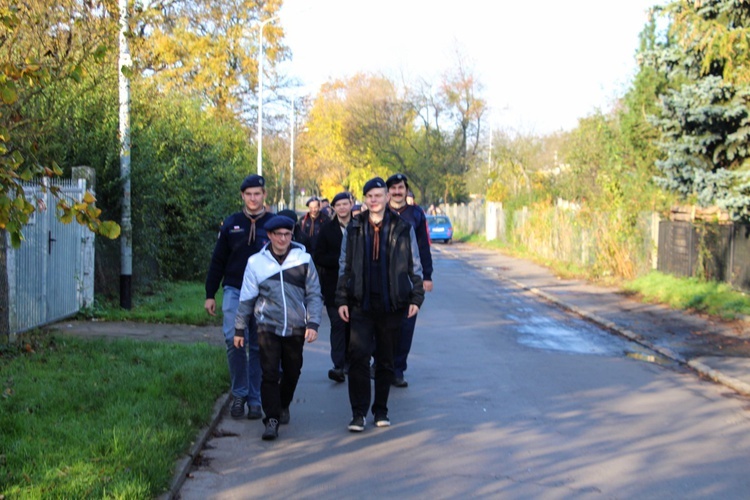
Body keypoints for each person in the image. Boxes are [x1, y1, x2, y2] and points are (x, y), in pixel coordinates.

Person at [336, 177, 425, 432]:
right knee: (358, 359)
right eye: (369, 196)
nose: (374, 200)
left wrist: (416, 297)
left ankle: (381, 409)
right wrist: (341, 298)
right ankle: (358, 413)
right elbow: (345, 265)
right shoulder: (354, 227)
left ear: (387, 197)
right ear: (364, 200)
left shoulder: (403, 227)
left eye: (378, 195)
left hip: (392, 305)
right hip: (360, 304)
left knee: (386, 361)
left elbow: (414, 264)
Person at [234, 215, 323, 441]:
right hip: (267, 325)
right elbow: (246, 298)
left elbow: (313, 293)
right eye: (278, 234)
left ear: (292, 235)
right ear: (270, 236)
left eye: (287, 234)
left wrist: (313, 323)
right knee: (270, 372)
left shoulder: (303, 259)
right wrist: (239, 329)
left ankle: (283, 404)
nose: (283, 239)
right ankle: (271, 419)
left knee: (293, 371)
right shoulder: (256, 262)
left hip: (295, 325)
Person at [205, 174, 275, 420]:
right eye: (249, 194)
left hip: (265, 293)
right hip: (235, 289)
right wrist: (210, 293)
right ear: (242, 196)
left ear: (264, 195)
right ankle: (239, 393)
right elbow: (218, 260)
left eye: (257, 194)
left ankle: (255, 399)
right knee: (232, 340)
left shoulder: (274, 224)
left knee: (259, 346)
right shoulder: (232, 224)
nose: (253, 198)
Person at [386, 173, 434, 388]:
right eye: (393, 188)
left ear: (406, 190)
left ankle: (398, 370)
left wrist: (427, 276)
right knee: (383, 327)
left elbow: (424, 246)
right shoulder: (380, 212)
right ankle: (382, 366)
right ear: (388, 191)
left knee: (406, 326)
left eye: (401, 188)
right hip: (382, 278)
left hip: (408, 279)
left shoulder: (416, 214)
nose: (397, 192)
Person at [314, 191, 353, 383]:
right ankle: (338, 365)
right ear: (334, 208)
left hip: (356, 287)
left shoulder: (359, 226)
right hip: (333, 287)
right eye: (339, 205)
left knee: (353, 325)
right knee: (338, 324)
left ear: (351, 204)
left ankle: (351, 362)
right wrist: (339, 261)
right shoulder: (327, 230)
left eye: (346, 204)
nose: (343, 208)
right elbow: (318, 256)